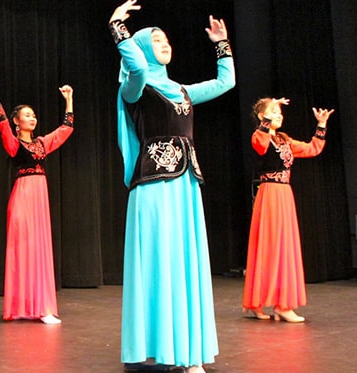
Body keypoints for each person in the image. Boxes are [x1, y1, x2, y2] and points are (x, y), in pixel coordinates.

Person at [109, 0, 236, 371]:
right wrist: (118, 28)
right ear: (145, 48)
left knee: (185, 261)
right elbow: (133, 65)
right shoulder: (135, 86)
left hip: (185, 185)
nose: (165, 45)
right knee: (160, 260)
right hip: (153, 184)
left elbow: (225, 82)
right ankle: (162, 347)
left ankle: (189, 352)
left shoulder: (181, 89)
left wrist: (221, 44)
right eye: (157, 40)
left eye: (167, 40)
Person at [0, 77, 74, 324]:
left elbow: (65, 130)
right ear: (17, 121)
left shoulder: (42, 144)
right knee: (23, 249)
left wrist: (69, 100)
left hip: (40, 197)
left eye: (33, 115)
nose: (32, 118)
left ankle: (42, 307)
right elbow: (0, 121)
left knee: (40, 249)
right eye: (26, 115)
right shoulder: (13, 144)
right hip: (23, 196)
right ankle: (20, 307)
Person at [242, 98, 334, 323]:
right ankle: (261, 302)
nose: (279, 114)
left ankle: (282, 304)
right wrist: (268, 109)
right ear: (263, 117)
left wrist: (321, 125)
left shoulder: (284, 140)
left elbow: (312, 148)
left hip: (284, 195)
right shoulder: (259, 136)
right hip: (270, 195)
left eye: (280, 111)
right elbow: (261, 144)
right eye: (274, 111)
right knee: (269, 246)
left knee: (284, 247)